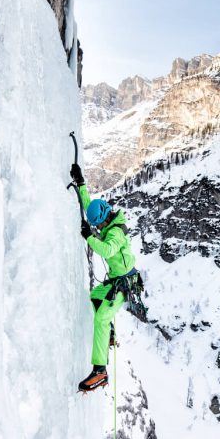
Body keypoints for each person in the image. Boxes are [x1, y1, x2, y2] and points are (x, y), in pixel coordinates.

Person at [70, 163, 137, 392]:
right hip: (116, 281)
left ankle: (100, 371)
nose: (96, 227)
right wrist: (80, 183)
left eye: (97, 225)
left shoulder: (117, 232)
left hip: (124, 284)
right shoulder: (106, 219)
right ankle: (108, 333)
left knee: (100, 318)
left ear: (104, 220)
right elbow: (89, 206)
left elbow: (107, 250)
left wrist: (89, 237)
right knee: (95, 296)